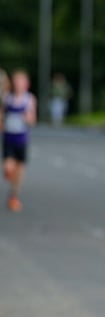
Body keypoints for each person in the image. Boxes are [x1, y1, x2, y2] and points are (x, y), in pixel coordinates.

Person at [1, 69, 37, 212]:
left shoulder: (29, 99)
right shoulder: (7, 98)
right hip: (8, 138)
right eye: (16, 81)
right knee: (8, 168)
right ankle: (9, 176)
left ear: (26, 84)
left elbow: (32, 120)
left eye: (21, 82)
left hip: (21, 139)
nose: (18, 84)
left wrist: (26, 118)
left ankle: (13, 196)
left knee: (19, 170)